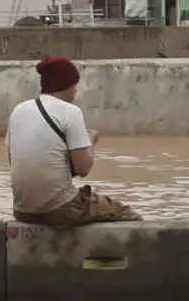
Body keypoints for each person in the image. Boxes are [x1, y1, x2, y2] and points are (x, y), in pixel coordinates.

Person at [8, 55, 135, 227]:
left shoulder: (18, 111)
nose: (76, 91)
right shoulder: (71, 112)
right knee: (125, 213)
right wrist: (90, 140)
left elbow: (16, 162)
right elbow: (83, 169)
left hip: (22, 211)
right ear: (66, 85)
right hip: (60, 209)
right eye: (75, 84)